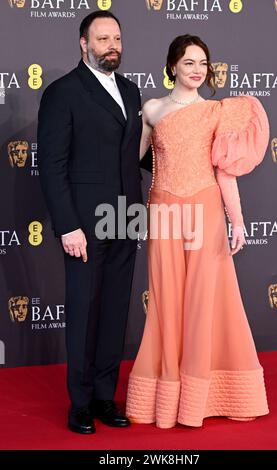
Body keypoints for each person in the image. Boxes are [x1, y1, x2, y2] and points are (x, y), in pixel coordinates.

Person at [126, 35, 270, 428]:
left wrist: (236, 220)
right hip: (164, 213)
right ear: (172, 65)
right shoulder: (152, 109)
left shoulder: (216, 112)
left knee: (207, 299)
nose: (196, 70)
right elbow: (130, 161)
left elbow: (225, 171)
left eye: (202, 63)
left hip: (205, 210)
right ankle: (166, 391)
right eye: (188, 62)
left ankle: (205, 395)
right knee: (166, 299)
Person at [37, 11, 143, 434]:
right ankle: (79, 402)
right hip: (84, 222)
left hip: (126, 217)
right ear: (84, 43)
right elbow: (52, 164)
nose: (112, 45)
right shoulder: (63, 92)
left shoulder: (132, 92)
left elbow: (134, 154)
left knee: (115, 311)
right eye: (102, 39)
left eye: (117, 37)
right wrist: (67, 225)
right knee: (84, 311)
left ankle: (104, 396)